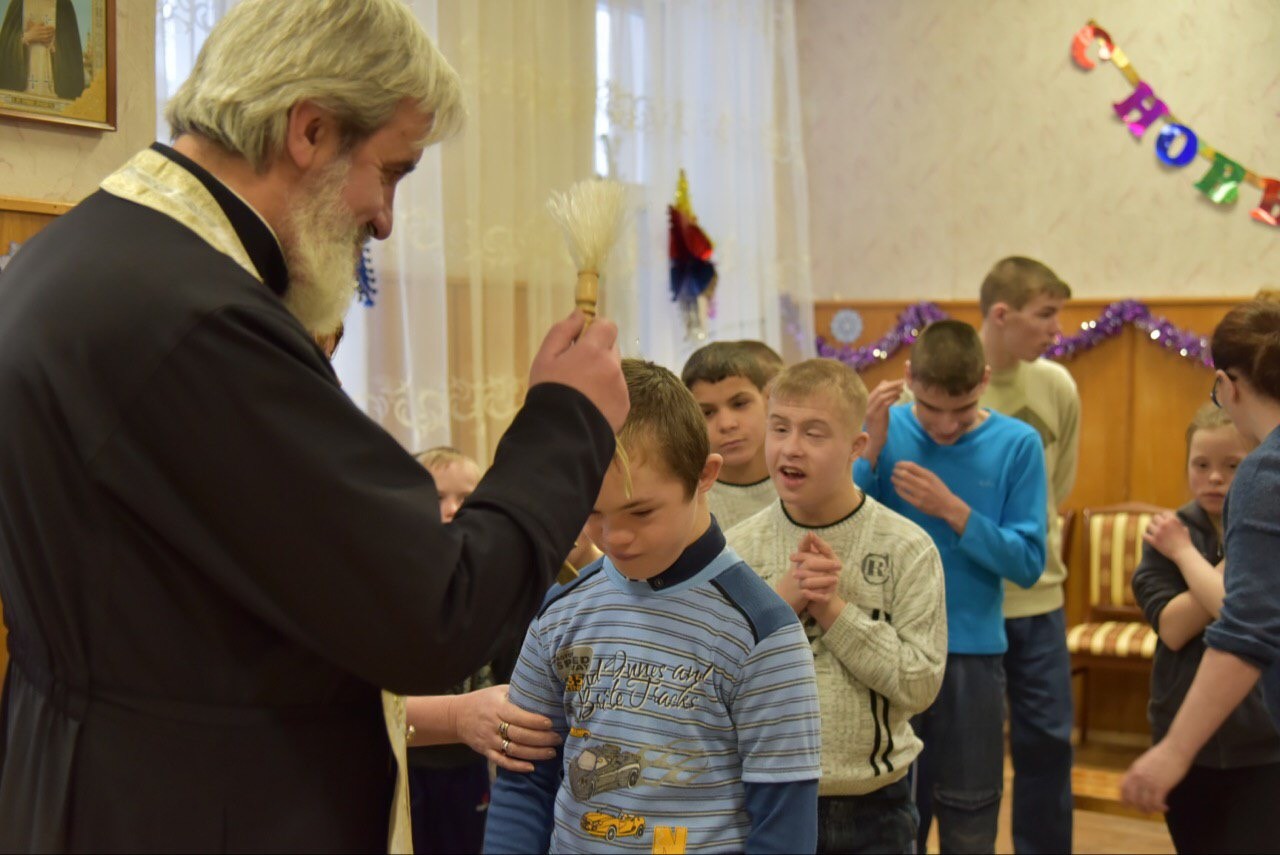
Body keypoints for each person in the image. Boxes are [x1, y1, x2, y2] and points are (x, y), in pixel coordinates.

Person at [0, 0, 629, 850]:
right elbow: (434, 611)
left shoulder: (76, 256)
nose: (385, 218)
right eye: (392, 171)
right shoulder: (197, 318)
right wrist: (567, 418)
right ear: (310, 130)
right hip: (190, 809)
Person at [483, 359, 822, 854]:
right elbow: (523, 782)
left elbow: (783, 828)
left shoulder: (762, 633)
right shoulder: (560, 613)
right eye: (592, 512)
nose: (614, 537)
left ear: (704, 476)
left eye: (640, 511)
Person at [726, 358, 946, 853]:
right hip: (760, 799)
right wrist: (779, 607)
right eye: (779, 428)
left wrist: (833, 611)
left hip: (872, 807)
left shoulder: (907, 548)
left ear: (856, 447)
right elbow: (711, 680)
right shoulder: (736, 549)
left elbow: (920, 684)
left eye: (814, 433)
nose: (791, 447)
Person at [856, 320, 1046, 854]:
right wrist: (868, 447)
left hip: (971, 653)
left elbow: (1028, 564)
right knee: (891, 814)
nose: (944, 426)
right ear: (909, 378)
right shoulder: (883, 427)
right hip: (886, 650)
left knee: (971, 810)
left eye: (961, 412)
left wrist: (955, 512)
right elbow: (843, 528)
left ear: (984, 380)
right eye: (929, 409)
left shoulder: (1018, 443)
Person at [1122, 300, 1280, 815]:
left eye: (1230, 465)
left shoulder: (1265, 475)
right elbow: (1174, 626)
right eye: (1201, 465)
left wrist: (1174, 751)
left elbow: (1245, 625)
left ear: (1227, 385)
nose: (1215, 478)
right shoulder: (1171, 527)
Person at [977, 256, 1077, 853]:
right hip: (971, 602)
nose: (1056, 330)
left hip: (1040, 599)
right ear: (1001, 314)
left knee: (1048, 745)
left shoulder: (1058, 385)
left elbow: (1057, 489)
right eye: (1045, 315)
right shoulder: (946, 383)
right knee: (969, 753)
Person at [682, 341, 781, 530]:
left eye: (740, 404)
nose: (727, 424)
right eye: (707, 412)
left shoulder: (808, 484)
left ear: (768, 400)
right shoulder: (686, 505)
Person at [0, 0, 86, 100]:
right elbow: (5, 44)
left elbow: (71, 49)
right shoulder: (18, 2)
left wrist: (53, 42)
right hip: (22, 89)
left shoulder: (64, 4)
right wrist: (27, 37)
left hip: (53, 88)